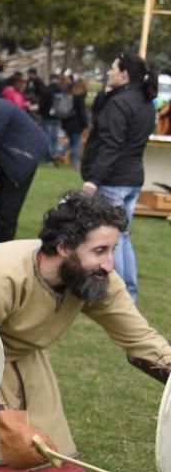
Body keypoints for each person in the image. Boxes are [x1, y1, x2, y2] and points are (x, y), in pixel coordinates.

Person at [0, 192, 171, 472]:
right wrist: (2, 419)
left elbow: (141, 339)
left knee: (48, 464)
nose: (110, 265)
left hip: (25, 361)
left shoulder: (97, 279)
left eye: (113, 250)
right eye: (100, 250)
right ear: (63, 246)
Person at [80, 52, 158, 301]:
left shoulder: (123, 102)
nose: (109, 71)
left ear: (124, 73)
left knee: (116, 239)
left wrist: (93, 179)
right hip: (131, 177)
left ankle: (123, 294)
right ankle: (127, 292)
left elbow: (110, 144)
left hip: (115, 178)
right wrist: (107, 90)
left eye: (114, 68)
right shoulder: (142, 100)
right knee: (122, 236)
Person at [0, 86, 50, 243]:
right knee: (2, 205)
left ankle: (3, 249)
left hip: (21, 160)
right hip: (14, 157)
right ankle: (1, 243)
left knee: (7, 210)